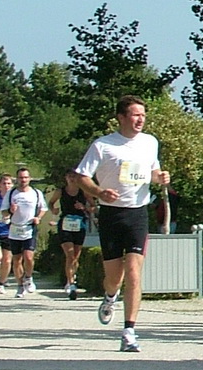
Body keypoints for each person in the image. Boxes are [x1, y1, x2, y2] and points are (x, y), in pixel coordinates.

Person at [70, 95, 170, 352]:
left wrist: (160, 177)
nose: (141, 120)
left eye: (143, 115)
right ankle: (110, 296)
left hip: (138, 214)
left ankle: (129, 331)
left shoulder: (150, 142)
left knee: (134, 271)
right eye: (136, 115)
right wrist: (99, 192)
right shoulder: (103, 145)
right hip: (111, 215)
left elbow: (152, 172)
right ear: (121, 117)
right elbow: (81, 176)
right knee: (114, 277)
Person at [4, 166, 48, 297]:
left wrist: (38, 217)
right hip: (15, 228)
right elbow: (3, 212)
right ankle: (20, 285)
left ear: (29, 178)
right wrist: (10, 210)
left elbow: (43, 208)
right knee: (16, 259)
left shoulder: (36, 193)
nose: (23, 180)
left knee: (28, 257)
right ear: (17, 179)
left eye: (25, 177)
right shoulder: (11, 193)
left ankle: (28, 277)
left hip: (29, 228)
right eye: (21, 178)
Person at [51, 172, 93, 299]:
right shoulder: (60, 191)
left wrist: (83, 207)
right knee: (69, 255)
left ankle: (73, 276)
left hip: (80, 224)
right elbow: (51, 202)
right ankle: (71, 283)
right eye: (69, 176)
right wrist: (53, 209)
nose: (72, 179)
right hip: (65, 225)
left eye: (74, 176)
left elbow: (93, 207)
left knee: (75, 256)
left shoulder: (84, 191)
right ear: (66, 178)